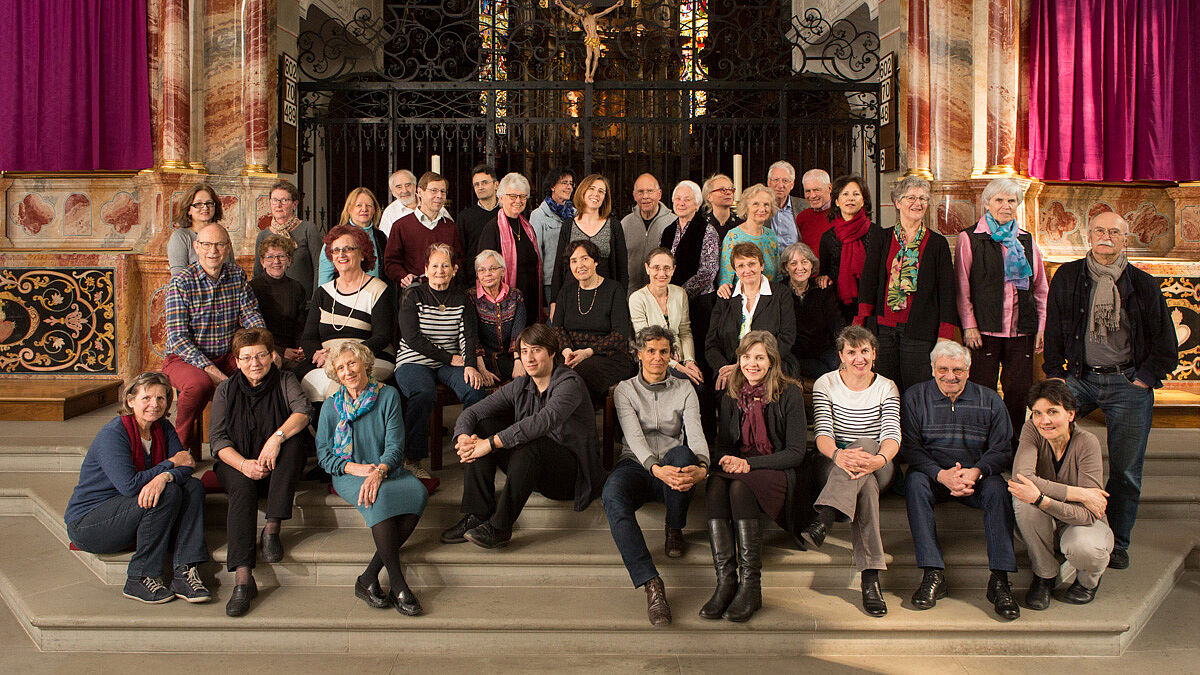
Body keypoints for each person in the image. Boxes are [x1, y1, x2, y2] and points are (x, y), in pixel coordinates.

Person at [1043, 211, 1178, 570]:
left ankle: (1117, 541)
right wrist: (1056, 377)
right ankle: (1052, 527)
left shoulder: (1143, 284)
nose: (1106, 237)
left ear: (1125, 238)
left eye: (1114, 232)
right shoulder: (1069, 277)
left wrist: (1143, 379)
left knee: (1126, 470)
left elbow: (1166, 344)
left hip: (1127, 383)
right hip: (1081, 379)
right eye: (1099, 230)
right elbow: (1053, 330)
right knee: (1042, 440)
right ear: (1088, 235)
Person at [442, 324, 606, 548]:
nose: (529, 358)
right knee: (482, 425)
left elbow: (540, 423)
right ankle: (478, 514)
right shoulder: (521, 384)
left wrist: (489, 444)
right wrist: (463, 437)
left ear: (552, 353)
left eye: (536, 350)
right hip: (528, 468)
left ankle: (499, 528)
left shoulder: (570, 384)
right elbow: (474, 411)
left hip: (569, 476)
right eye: (524, 351)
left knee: (532, 442)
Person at [64, 373, 210, 604]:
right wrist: (170, 466)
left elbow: (187, 466)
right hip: (91, 522)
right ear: (130, 401)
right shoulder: (114, 433)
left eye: (161, 398)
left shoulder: (163, 428)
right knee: (168, 491)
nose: (155, 404)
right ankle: (139, 578)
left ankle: (184, 570)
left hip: (131, 513)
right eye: (147, 398)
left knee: (191, 486)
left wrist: (164, 476)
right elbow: (129, 485)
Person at [901, 341, 1019, 620]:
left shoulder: (990, 399)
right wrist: (940, 474)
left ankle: (999, 580)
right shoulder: (915, 397)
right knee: (914, 483)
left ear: (969, 370)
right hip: (933, 476)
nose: (950, 376)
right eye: (943, 369)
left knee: (999, 488)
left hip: (975, 478)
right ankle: (933, 573)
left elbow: (1002, 449)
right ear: (932, 369)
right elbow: (909, 447)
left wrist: (976, 471)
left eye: (957, 370)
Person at [604, 325, 710, 626]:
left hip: (674, 465)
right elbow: (634, 439)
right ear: (639, 354)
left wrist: (702, 466)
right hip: (637, 465)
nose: (657, 357)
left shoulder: (685, 388)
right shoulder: (625, 390)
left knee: (685, 456)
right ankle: (651, 582)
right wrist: (654, 467)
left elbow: (696, 433)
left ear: (672, 354)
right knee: (611, 494)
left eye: (664, 351)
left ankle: (674, 527)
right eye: (650, 350)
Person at [701, 331, 809, 623]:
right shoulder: (731, 394)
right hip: (741, 466)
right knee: (715, 484)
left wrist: (749, 465)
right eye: (746, 357)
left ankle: (751, 586)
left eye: (759, 357)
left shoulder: (790, 393)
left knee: (739, 489)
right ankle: (726, 581)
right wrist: (726, 459)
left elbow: (796, 452)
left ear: (772, 360)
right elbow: (724, 444)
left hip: (776, 468)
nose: (752, 364)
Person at [316, 340, 428, 615]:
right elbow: (324, 455)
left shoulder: (388, 395)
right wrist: (353, 469)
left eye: (352, 363)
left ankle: (367, 578)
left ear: (365, 364)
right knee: (377, 500)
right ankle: (399, 584)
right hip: (349, 474)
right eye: (340, 367)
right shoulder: (330, 407)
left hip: (386, 470)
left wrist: (379, 471)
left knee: (418, 492)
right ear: (335, 374)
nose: (348, 371)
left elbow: (395, 447)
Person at [208, 328, 312, 616]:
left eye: (262, 355)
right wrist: (243, 464)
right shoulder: (225, 390)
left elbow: (303, 411)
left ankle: (272, 528)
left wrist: (276, 438)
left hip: (277, 465)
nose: (256, 363)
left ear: (272, 357)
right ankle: (243, 579)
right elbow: (217, 442)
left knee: (294, 444)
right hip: (236, 464)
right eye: (248, 357)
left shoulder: (285, 379)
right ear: (237, 361)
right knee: (241, 488)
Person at [802, 326, 901, 617]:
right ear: (841, 357)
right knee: (865, 487)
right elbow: (822, 434)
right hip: (833, 462)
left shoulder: (886, 386)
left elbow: (892, 436)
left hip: (879, 463)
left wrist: (877, 460)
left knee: (868, 444)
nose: (859, 358)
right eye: (852, 352)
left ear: (874, 354)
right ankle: (870, 580)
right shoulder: (826, 383)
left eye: (865, 351)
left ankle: (826, 516)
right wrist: (839, 455)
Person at [958, 178, 1049, 448]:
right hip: (984, 330)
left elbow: (1040, 288)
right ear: (987, 203)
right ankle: (982, 444)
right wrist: (969, 325)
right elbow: (962, 288)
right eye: (999, 200)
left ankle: (1012, 444)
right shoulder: (971, 237)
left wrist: (1041, 327)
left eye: (1011, 201)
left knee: (1018, 392)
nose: (1006, 206)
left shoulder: (1026, 240)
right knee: (982, 392)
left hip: (1022, 329)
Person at [1009, 379, 1114, 609]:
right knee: (1023, 501)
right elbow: (1021, 478)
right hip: (1047, 517)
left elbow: (1087, 515)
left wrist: (1042, 499)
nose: (1044, 420)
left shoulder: (1087, 443)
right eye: (1037, 413)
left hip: (1080, 522)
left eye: (1052, 412)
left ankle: (1088, 582)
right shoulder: (1032, 429)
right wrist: (1080, 493)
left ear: (1071, 414)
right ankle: (1044, 575)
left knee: (1086, 548)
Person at [162, 223, 265, 453]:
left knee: (257, 373)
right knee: (199, 385)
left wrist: (265, 349)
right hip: (184, 358)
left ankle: (249, 446)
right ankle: (180, 450)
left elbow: (251, 316)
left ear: (228, 248)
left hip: (226, 354)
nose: (213, 251)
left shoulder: (236, 275)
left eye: (219, 244)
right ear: (196, 247)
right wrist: (211, 370)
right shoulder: (181, 282)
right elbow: (178, 339)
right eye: (207, 244)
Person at [393, 243, 488, 479]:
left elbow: (468, 335)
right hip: (414, 361)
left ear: (454, 269)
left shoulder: (462, 299)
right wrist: (450, 358)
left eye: (445, 265)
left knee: (475, 390)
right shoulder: (414, 295)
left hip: (451, 363)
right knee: (424, 394)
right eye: (434, 265)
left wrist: (469, 365)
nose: (440, 270)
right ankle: (412, 458)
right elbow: (412, 338)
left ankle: (470, 448)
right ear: (426, 269)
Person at [856, 176, 957, 393]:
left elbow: (947, 293)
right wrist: (862, 321)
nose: (917, 203)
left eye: (922, 198)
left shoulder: (937, 243)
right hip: (883, 329)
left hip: (920, 331)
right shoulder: (881, 237)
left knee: (917, 390)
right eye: (910, 197)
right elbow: (869, 282)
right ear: (897, 202)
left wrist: (945, 336)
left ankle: (913, 428)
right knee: (885, 388)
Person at [300, 224, 395, 402]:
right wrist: (316, 353)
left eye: (347, 249)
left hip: (368, 358)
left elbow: (382, 336)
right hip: (329, 361)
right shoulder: (323, 292)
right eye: (335, 250)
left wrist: (347, 355)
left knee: (340, 383)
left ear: (362, 253)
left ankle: (341, 430)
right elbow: (308, 337)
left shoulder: (378, 290)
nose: (341, 255)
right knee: (298, 384)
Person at [551, 240, 637, 405]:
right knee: (548, 370)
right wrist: (567, 351)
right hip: (570, 355)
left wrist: (588, 352)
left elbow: (620, 334)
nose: (579, 265)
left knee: (578, 373)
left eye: (585, 259)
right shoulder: (566, 291)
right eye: (574, 261)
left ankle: (573, 424)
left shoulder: (614, 289)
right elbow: (557, 328)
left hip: (607, 356)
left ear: (596, 261)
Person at [707, 242, 796, 389]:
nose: (747, 270)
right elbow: (711, 344)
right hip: (730, 369)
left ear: (761, 265)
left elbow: (787, 337)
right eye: (741, 266)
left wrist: (757, 364)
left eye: (752, 264)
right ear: (735, 270)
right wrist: (723, 368)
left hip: (771, 366)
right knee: (724, 391)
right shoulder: (725, 297)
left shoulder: (781, 294)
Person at [550, 173, 629, 309]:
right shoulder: (568, 225)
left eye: (601, 191)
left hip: (605, 297)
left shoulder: (614, 225)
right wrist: (554, 301)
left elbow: (622, 269)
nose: (596, 194)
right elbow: (559, 265)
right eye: (591, 189)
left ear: (605, 197)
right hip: (572, 295)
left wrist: (620, 300)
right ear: (582, 191)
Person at [628, 248, 703, 385]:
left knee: (700, 385)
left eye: (667, 268)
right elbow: (645, 341)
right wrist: (677, 367)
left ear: (673, 270)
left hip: (680, 359)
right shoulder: (637, 298)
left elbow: (685, 332)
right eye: (656, 268)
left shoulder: (680, 293)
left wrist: (690, 361)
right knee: (688, 384)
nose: (661, 273)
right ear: (647, 268)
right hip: (653, 359)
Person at [474, 172, 542, 321]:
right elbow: (484, 271)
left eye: (523, 196)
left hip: (530, 298)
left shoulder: (527, 228)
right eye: (513, 196)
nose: (518, 200)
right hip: (504, 303)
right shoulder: (492, 229)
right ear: (501, 197)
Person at [384, 171, 463, 289]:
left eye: (443, 191)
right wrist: (403, 276)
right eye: (434, 190)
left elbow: (459, 258)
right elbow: (390, 262)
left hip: (445, 293)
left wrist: (455, 266)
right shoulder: (401, 226)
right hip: (414, 293)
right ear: (420, 192)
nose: (439, 196)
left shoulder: (451, 227)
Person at [252, 180, 324, 300]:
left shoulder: (308, 229)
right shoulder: (263, 235)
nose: (278, 205)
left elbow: (319, 267)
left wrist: (316, 300)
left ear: (294, 204)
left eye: (284, 200)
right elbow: (258, 272)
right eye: (275, 200)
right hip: (271, 301)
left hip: (304, 302)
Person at [782, 242, 842, 379]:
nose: (800, 268)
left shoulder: (823, 289)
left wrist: (844, 350)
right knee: (824, 373)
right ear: (786, 267)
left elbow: (837, 324)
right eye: (793, 263)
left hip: (822, 349)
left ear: (812, 265)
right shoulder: (780, 292)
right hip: (794, 353)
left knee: (839, 367)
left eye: (804, 262)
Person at [250, 234, 308, 373]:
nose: (276, 261)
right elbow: (253, 332)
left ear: (289, 260)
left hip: (293, 351)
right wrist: (281, 351)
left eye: (281, 256)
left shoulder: (297, 287)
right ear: (262, 262)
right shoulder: (252, 288)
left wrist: (300, 350)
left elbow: (300, 326)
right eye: (270, 257)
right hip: (266, 351)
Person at [820, 175, 874, 322]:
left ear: (863, 201)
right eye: (845, 194)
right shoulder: (827, 238)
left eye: (856, 194)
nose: (851, 199)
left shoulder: (877, 234)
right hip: (838, 307)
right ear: (836, 201)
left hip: (871, 304)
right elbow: (824, 273)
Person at [472, 249, 528, 386]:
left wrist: (518, 361)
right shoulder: (470, 298)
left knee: (526, 378)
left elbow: (518, 332)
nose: (487, 274)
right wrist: (481, 369)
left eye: (493, 269)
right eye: (482, 270)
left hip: (510, 357)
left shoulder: (516, 296)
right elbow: (472, 335)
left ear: (503, 271)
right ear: (477, 275)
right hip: (482, 359)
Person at [317, 187, 388, 285]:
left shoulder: (381, 238)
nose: (364, 209)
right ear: (349, 209)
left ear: (374, 210)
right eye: (358, 205)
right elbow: (325, 278)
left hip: (375, 295)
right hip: (344, 296)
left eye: (369, 205)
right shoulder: (336, 237)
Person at [716, 184, 782, 288]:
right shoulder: (733, 236)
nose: (762, 209)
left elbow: (778, 274)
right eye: (756, 204)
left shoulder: (771, 236)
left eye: (766, 204)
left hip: (771, 297)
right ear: (746, 207)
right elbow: (725, 278)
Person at [620, 173, 676, 292]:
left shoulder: (673, 223)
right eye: (640, 192)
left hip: (663, 294)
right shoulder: (625, 223)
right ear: (634, 195)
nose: (645, 196)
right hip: (631, 294)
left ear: (659, 194)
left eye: (650, 191)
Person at [529, 167, 575, 309]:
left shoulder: (576, 214)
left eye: (571, 183)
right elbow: (536, 253)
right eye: (564, 182)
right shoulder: (539, 215)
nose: (569, 187)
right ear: (552, 186)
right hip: (550, 281)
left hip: (574, 277)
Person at [167, 182, 230, 276]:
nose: (205, 207)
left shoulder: (221, 234)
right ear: (189, 210)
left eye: (209, 203)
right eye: (198, 204)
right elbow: (178, 278)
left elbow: (231, 271)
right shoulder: (180, 237)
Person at [457, 164, 500, 256]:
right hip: (474, 269)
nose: (480, 187)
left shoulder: (505, 213)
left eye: (484, 183)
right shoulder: (465, 217)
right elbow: (461, 253)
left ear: (496, 185)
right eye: (476, 184)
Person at [795, 168, 833, 254]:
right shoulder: (802, 218)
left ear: (829, 188)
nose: (812, 195)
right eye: (808, 191)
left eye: (816, 190)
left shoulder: (842, 214)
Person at [766, 160, 802, 248]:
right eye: (776, 180)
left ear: (792, 184)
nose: (780, 185)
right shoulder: (759, 208)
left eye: (785, 181)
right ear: (769, 182)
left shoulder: (803, 207)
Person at [700, 173, 743, 244]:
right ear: (709, 196)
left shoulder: (741, 225)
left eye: (731, 189)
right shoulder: (701, 225)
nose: (729, 193)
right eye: (722, 190)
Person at [378, 169, 417, 238]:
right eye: (399, 187)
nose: (404, 190)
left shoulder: (430, 204)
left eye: (408, 185)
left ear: (415, 186)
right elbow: (386, 242)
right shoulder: (389, 213)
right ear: (393, 192)